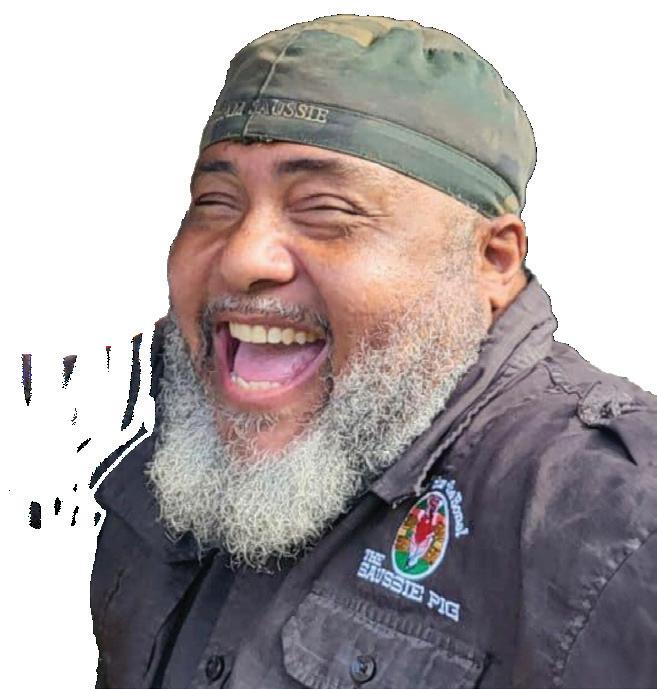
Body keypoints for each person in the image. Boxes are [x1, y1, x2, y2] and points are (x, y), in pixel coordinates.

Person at [90, 14, 657, 689]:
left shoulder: (616, 521)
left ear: (492, 260)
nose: (242, 257)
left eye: (325, 210)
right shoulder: (165, 419)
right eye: (215, 203)